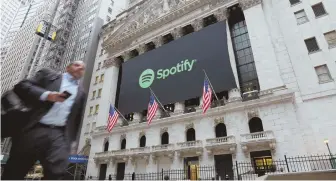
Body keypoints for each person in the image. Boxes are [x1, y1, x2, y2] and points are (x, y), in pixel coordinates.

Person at [2, 61, 87, 180]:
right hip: (35, 128)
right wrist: (47, 95)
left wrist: (72, 143)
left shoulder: (81, 93)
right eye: (77, 65)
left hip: (59, 135)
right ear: (68, 67)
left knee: (58, 173)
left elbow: (76, 120)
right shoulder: (48, 75)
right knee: (16, 170)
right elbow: (22, 86)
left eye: (82, 68)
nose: (79, 68)